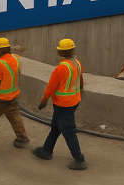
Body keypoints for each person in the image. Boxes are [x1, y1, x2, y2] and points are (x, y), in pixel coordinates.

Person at [31, 38, 86, 170]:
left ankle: (79, 159)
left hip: (63, 105)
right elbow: (81, 82)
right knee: (55, 127)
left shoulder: (61, 68)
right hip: (73, 102)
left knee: (68, 131)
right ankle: (46, 151)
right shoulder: (77, 64)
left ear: (63, 52)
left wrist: (43, 101)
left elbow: (51, 87)